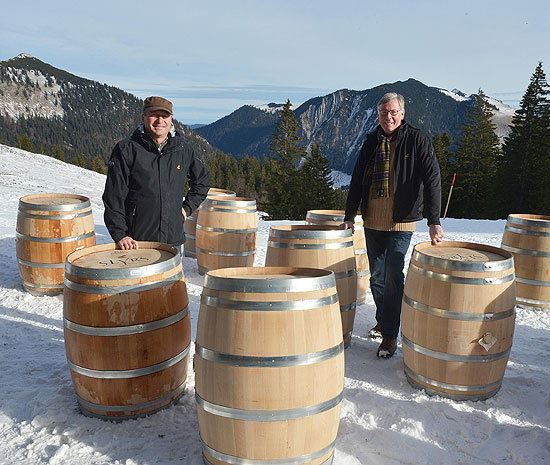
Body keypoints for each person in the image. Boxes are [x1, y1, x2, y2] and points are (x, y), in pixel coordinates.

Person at [340, 92, 443, 358]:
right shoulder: (371, 142)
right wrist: (349, 215)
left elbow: (432, 180)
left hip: (402, 221)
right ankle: (384, 319)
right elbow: (356, 181)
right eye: (384, 113)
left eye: (393, 112)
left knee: (394, 275)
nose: (389, 117)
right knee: (377, 277)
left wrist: (434, 220)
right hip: (373, 219)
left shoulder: (416, 140)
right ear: (378, 115)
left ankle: (389, 335)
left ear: (402, 113)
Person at [103, 96, 210, 252]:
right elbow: (114, 196)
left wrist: (186, 209)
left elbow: (202, 182)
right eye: (154, 115)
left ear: (171, 119)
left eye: (165, 116)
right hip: (137, 242)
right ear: (143, 117)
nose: (160, 120)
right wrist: (120, 234)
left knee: (173, 278)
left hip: (173, 240)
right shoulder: (126, 149)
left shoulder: (183, 150)